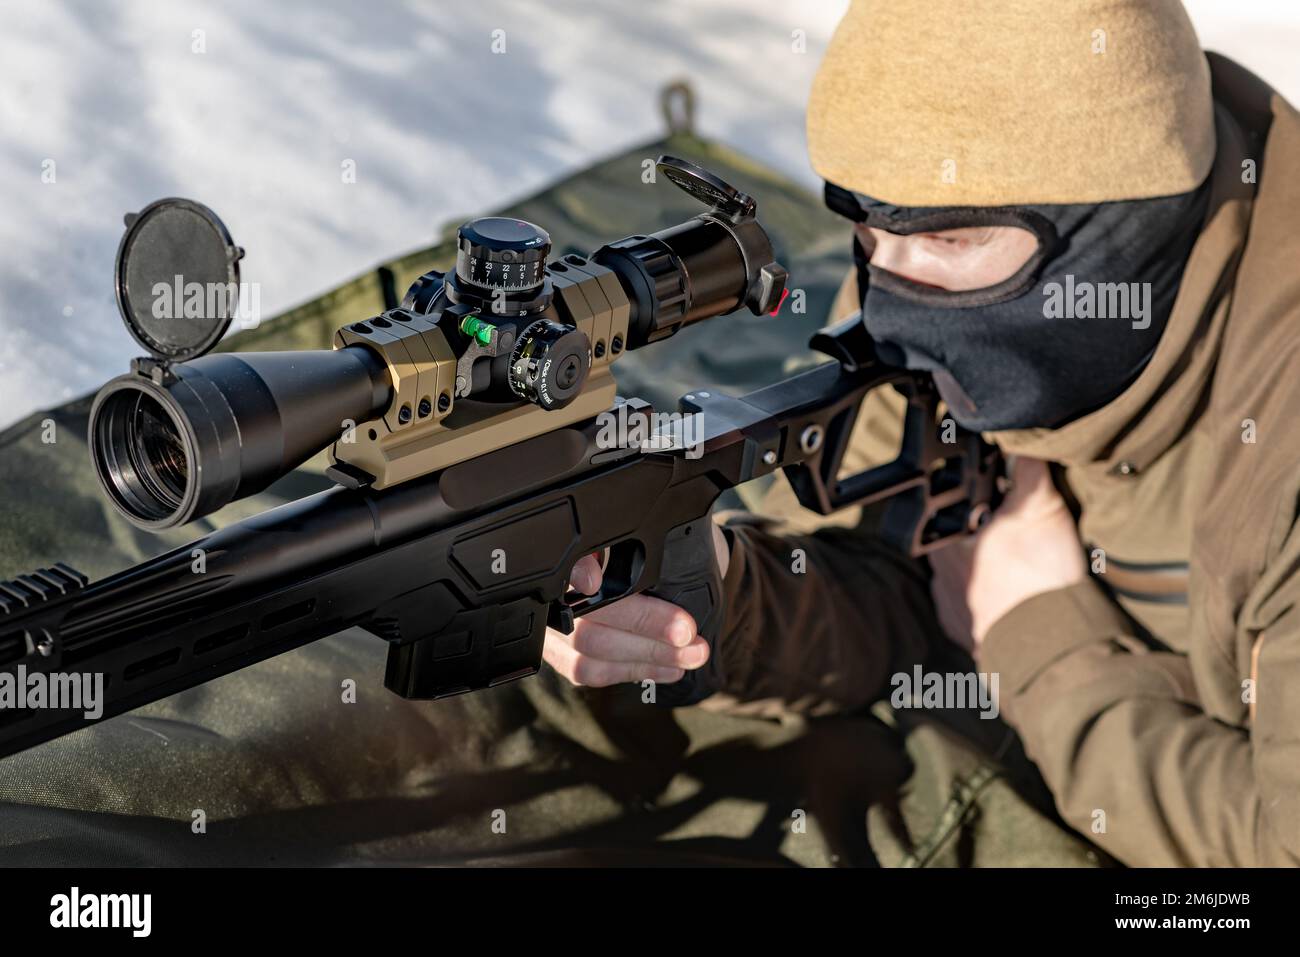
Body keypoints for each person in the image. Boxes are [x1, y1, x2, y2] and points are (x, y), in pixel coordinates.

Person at [543, 0, 1300, 866]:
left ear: (1121, 233)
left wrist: (1044, 645)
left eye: (953, 238)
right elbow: (884, 582)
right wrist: (716, 593)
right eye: (864, 228)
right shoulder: (923, 275)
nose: (887, 301)